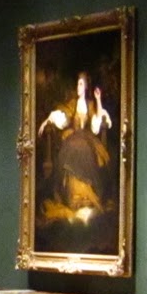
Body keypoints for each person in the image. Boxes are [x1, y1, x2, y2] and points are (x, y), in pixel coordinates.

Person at [37, 71, 114, 222]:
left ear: (85, 87)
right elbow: (61, 116)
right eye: (78, 84)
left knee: (84, 148)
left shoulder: (91, 105)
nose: (78, 87)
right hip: (72, 138)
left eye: (80, 84)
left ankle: (87, 195)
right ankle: (73, 196)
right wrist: (47, 121)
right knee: (71, 148)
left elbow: (96, 126)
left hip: (87, 139)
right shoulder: (72, 104)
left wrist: (98, 100)